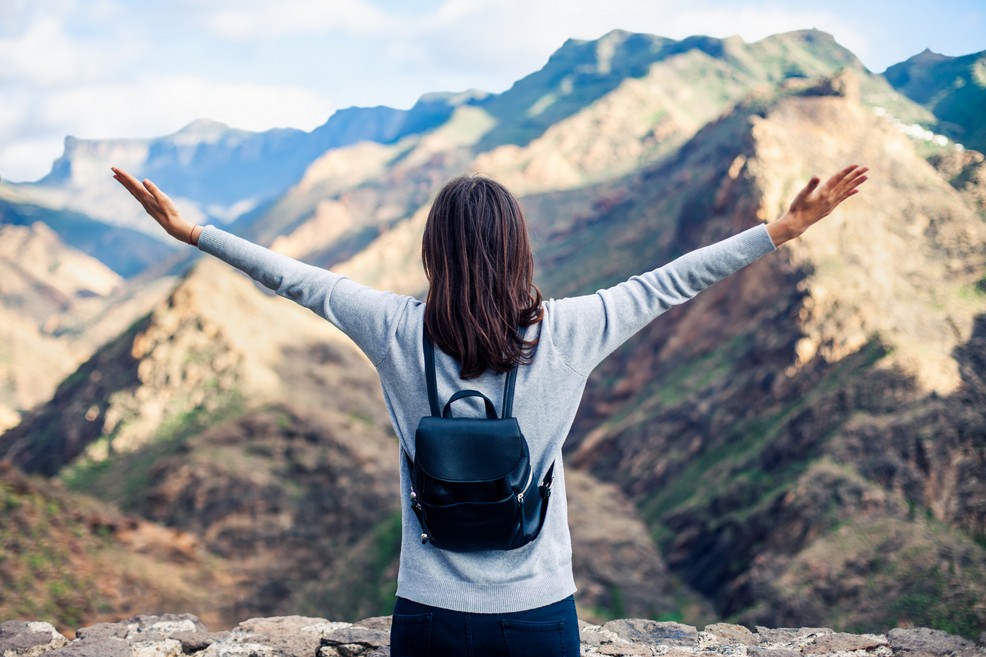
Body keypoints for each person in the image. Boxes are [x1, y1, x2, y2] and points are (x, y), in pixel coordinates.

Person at [112, 163, 867, 657]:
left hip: (429, 613)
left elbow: (296, 279)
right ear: (519, 250)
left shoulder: (394, 327)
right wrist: (783, 230)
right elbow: (669, 282)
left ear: (433, 251)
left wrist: (193, 233)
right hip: (538, 615)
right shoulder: (572, 329)